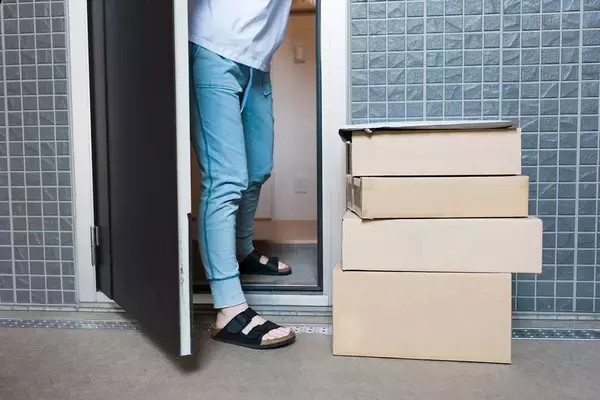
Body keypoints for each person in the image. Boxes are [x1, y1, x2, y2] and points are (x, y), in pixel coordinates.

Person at [188, 0, 314, 349]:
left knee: (257, 169)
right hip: (212, 46)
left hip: (257, 59)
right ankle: (229, 309)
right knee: (225, 179)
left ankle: (242, 252)